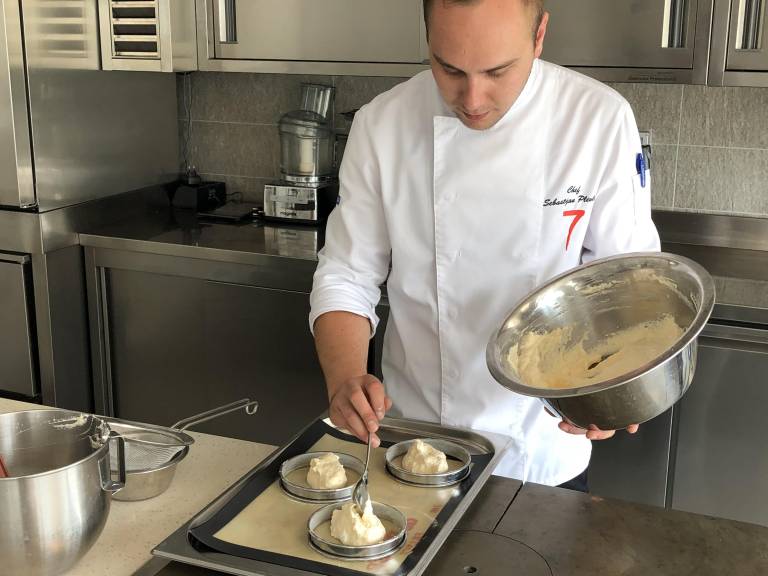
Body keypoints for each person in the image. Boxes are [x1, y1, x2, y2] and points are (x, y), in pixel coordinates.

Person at [309, 0, 659, 489]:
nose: (472, 99)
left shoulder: (596, 120)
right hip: (416, 438)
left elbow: (626, 285)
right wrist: (345, 377)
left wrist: (614, 387)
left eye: (498, 71)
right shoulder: (383, 124)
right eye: (449, 69)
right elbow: (347, 274)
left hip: (543, 447)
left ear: (539, 35)